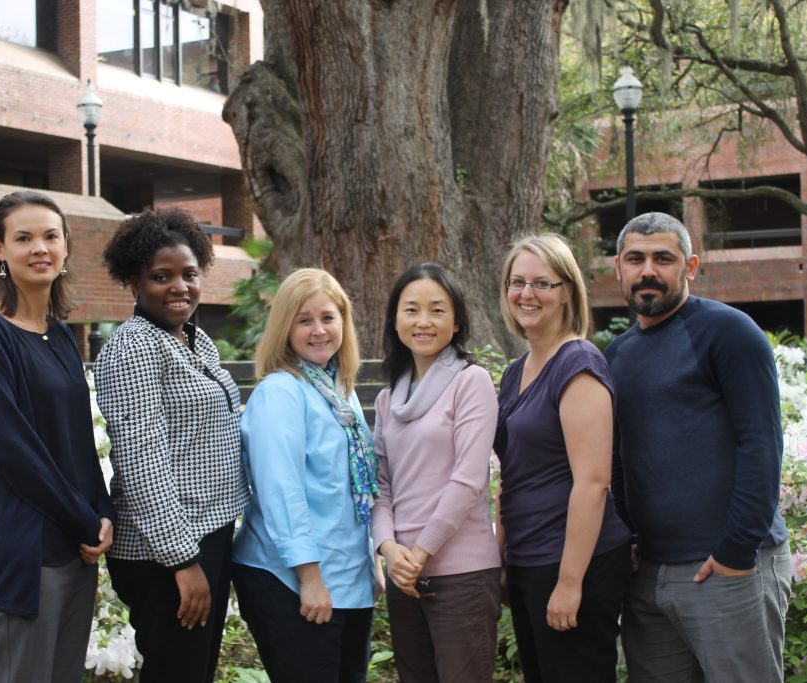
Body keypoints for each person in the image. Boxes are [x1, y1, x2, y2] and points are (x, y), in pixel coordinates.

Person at [605, 212, 792, 683]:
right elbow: (618, 456)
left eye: (663, 258)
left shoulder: (729, 332)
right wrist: (629, 538)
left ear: (689, 267)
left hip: (728, 570)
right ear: (618, 269)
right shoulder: (617, 354)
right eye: (636, 259)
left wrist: (736, 551)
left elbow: (762, 444)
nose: (648, 270)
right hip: (650, 575)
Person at [0, 190, 115, 683]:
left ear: (66, 246)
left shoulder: (61, 334)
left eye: (50, 236)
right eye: (23, 238)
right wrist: (84, 521)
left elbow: (78, 440)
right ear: (0, 249)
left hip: (73, 550)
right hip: (20, 556)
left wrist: (104, 510)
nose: (39, 248)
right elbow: (12, 450)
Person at [92, 208, 249, 683]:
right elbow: (142, 464)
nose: (179, 286)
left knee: (195, 670)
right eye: (162, 276)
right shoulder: (134, 347)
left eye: (189, 274)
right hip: (165, 551)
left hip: (209, 531)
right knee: (176, 672)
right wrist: (183, 559)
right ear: (135, 280)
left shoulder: (195, 342)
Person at [494, 233, 632, 683]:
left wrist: (570, 583)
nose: (526, 294)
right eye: (517, 282)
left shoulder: (578, 364)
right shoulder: (517, 371)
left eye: (542, 283)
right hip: (528, 559)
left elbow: (593, 482)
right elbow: (512, 474)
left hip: (573, 564)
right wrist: (502, 556)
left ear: (567, 290)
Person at [232, 268, 378, 683]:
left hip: (347, 577)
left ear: (343, 322)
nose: (319, 331)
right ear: (285, 327)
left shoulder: (338, 389)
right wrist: (309, 577)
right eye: (304, 320)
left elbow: (352, 487)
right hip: (290, 579)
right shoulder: (281, 392)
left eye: (328, 318)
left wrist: (369, 562)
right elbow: (283, 492)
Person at [371, 263, 502, 682]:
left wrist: (421, 552)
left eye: (437, 310)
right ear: (395, 319)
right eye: (411, 310)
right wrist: (391, 551)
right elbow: (381, 486)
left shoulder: (472, 382)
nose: (423, 322)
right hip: (404, 576)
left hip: (461, 574)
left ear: (457, 320)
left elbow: (468, 481)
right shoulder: (388, 400)